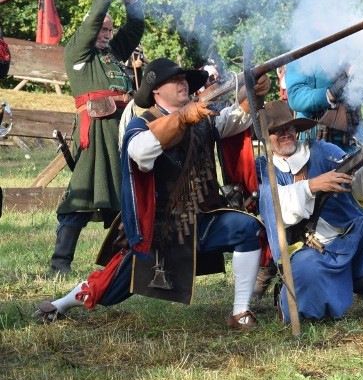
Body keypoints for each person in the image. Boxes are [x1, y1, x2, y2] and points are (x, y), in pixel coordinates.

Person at [34, 58, 271, 329]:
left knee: (247, 228)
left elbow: (234, 119)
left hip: (201, 220)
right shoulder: (141, 124)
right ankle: (62, 303)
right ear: (156, 90)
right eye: (175, 79)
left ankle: (240, 312)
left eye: (184, 78)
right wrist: (180, 119)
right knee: (110, 289)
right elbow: (140, 153)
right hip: (159, 229)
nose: (183, 82)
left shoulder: (203, 118)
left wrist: (253, 92)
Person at [255, 101, 363, 324]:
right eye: (275, 131)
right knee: (305, 281)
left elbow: (359, 180)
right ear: (267, 137)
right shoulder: (263, 167)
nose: (284, 134)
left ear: (296, 130)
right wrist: (312, 186)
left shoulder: (323, 151)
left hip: (354, 234)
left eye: (288, 128)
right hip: (313, 250)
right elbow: (272, 204)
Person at [50, 0, 144, 274]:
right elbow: (94, 16)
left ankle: (127, 262)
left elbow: (136, 26)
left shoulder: (113, 54)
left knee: (130, 198)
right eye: (102, 30)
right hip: (95, 137)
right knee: (80, 198)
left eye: (109, 30)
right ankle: (60, 263)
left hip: (121, 134)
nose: (106, 34)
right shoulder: (78, 52)